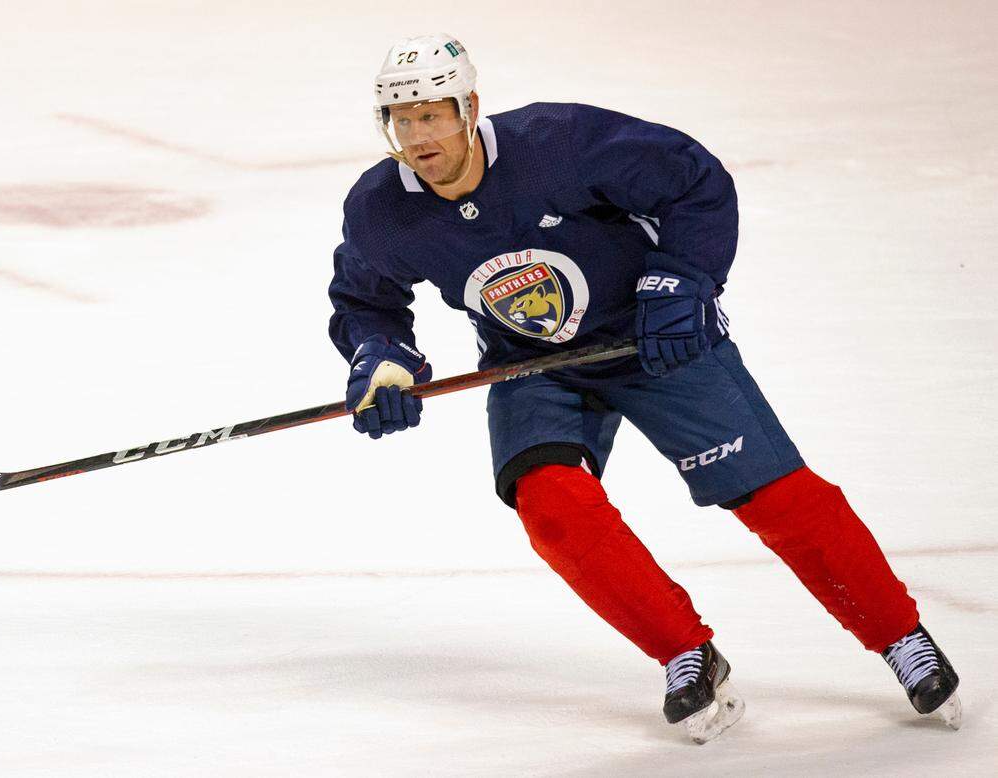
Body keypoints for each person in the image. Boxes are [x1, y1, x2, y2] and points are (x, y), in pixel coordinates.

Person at [327, 33, 961, 743]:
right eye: (402, 119)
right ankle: (687, 654)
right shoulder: (382, 207)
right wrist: (383, 360)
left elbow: (693, 180)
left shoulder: (560, 143)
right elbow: (367, 299)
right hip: (533, 366)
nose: (418, 136)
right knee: (552, 508)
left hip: (654, 340)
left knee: (778, 497)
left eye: (431, 115)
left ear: (470, 108)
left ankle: (900, 635)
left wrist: (682, 279)